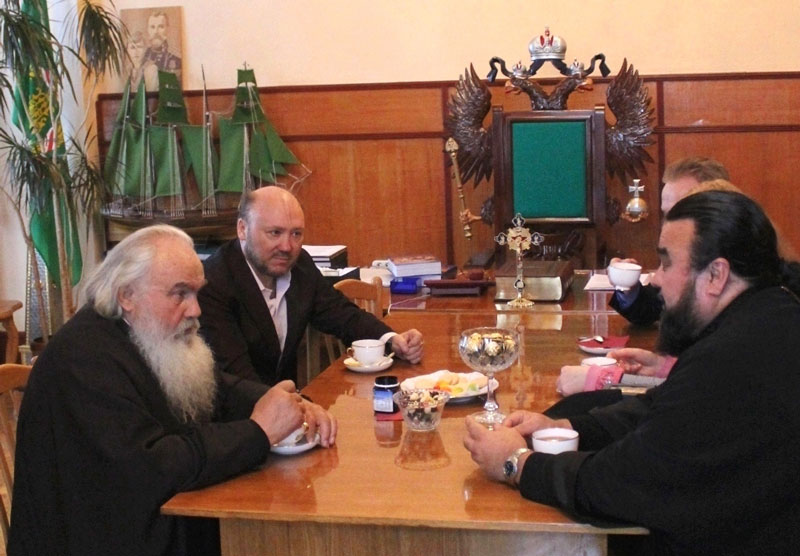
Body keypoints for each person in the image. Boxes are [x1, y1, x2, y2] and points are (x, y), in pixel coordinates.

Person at [464, 190, 800, 555]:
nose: (656, 279)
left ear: (716, 275)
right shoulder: (767, 316)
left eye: (666, 263)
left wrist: (516, 463)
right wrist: (564, 427)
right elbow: (660, 409)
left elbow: (619, 483)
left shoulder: (732, 356)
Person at [7, 225, 336, 556]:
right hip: (101, 536)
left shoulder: (143, 332)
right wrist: (258, 431)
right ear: (126, 295)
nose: (195, 310)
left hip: (150, 517)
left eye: (196, 293)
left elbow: (217, 388)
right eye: (180, 294)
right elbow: (153, 467)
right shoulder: (83, 359)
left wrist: (290, 405)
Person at [198, 186, 424, 385]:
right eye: (275, 233)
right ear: (242, 229)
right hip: (241, 413)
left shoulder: (300, 265)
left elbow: (342, 315)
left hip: (287, 407)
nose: (287, 247)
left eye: (296, 234)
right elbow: (235, 375)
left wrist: (392, 340)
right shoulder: (213, 283)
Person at [609, 156, 730, 326]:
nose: (668, 224)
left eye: (677, 213)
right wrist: (629, 289)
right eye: (666, 214)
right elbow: (653, 309)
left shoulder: (730, 251)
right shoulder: (679, 247)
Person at [143, 10, 182, 78]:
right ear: (148, 30)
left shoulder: (177, 61)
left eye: (161, 27)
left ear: (168, 29)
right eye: (152, 27)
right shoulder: (141, 59)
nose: (156, 32)